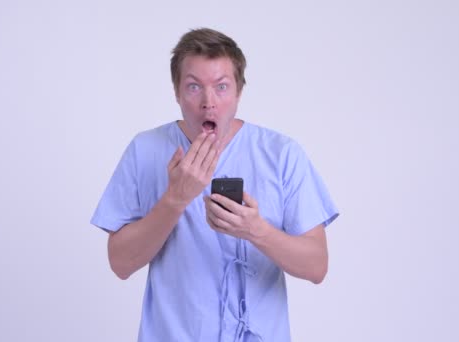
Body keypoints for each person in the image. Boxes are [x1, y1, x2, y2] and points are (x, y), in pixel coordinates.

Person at [91, 27, 339, 342]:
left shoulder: (282, 154)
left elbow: (317, 266)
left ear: (239, 91)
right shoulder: (145, 150)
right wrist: (175, 199)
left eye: (221, 87)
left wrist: (256, 231)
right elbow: (120, 263)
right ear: (176, 92)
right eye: (194, 87)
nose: (209, 103)